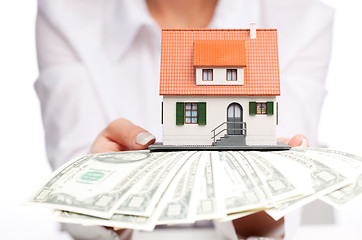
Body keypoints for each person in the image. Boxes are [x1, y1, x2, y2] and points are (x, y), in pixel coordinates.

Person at [34, 0, 334, 239]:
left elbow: (280, 205)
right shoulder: (64, 14)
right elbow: (71, 182)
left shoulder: (304, 20)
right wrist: (97, 190)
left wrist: (258, 195)